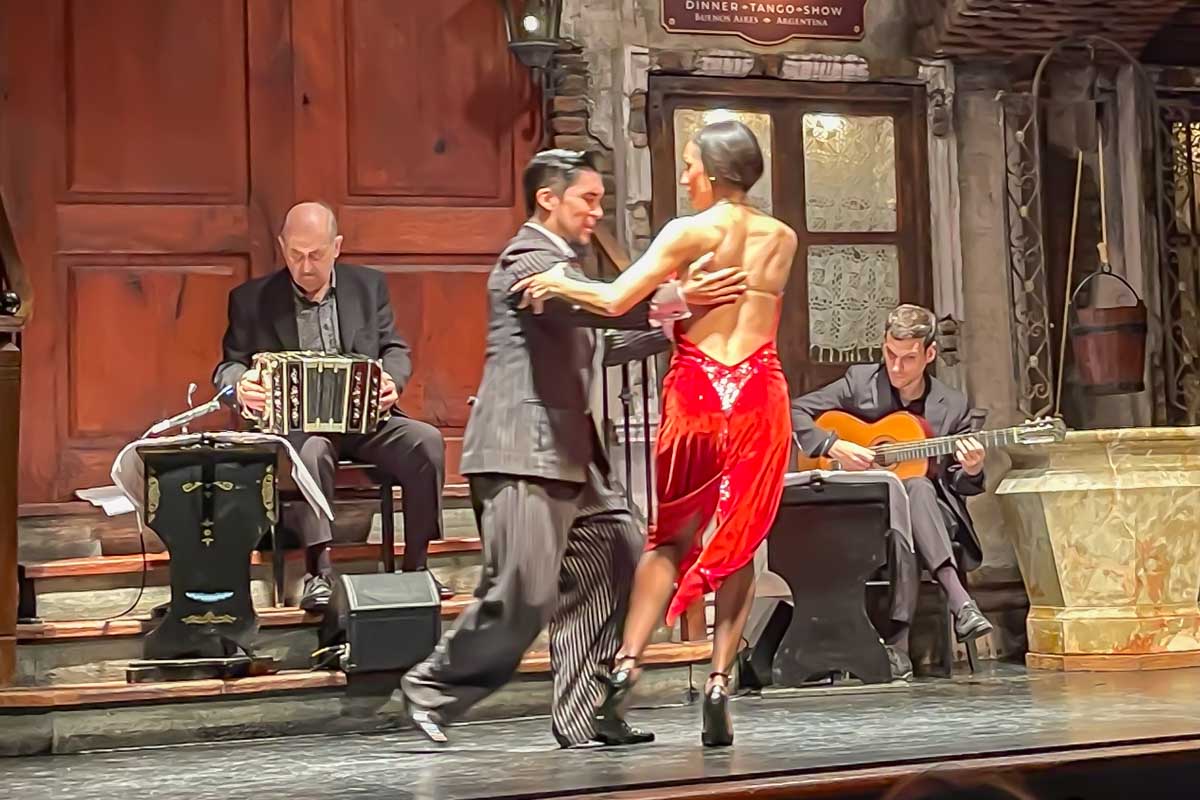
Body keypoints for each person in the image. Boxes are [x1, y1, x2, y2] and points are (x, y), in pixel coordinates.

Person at [401, 149, 749, 749]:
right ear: (548, 199)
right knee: (525, 590)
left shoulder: (568, 271)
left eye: (600, 201)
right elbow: (596, 305)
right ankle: (431, 688)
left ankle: (585, 713)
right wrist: (677, 297)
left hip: (573, 455)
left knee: (620, 548)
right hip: (522, 452)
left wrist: (678, 324)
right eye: (588, 199)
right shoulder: (528, 260)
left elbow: (600, 339)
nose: (597, 212)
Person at [511, 121, 798, 747]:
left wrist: (561, 282)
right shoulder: (782, 238)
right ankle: (721, 679)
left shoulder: (687, 232)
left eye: (692, 164)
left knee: (668, 540)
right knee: (740, 543)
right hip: (759, 393)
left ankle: (624, 667)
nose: (686, 175)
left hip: (698, 390)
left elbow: (615, 301)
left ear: (717, 171)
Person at [213, 201, 450, 611]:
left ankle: (417, 568)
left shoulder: (367, 286)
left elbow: (395, 347)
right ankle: (319, 572)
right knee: (311, 451)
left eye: (317, 255)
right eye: (295, 254)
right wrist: (240, 384)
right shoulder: (251, 299)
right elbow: (228, 365)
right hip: (300, 427)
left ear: (336, 246)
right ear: (282, 246)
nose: (305, 266)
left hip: (366, 420)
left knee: (426, 443)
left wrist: (392, 380)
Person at [791, 303, 993, 679]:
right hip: (865, 511)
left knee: (915, 488)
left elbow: (958, 483)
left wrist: (973, 468)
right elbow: (795, 410)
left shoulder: (953, 406)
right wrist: (832, 445)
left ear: (930, 354)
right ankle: (959, 604)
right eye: (890, 355)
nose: (896, 367)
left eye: (908, 359)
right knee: (906, 498)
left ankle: (898, 646)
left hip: (931, 515)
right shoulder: (860, 383)